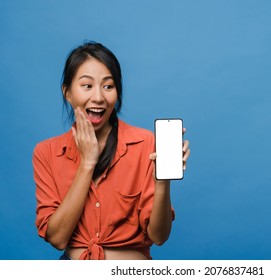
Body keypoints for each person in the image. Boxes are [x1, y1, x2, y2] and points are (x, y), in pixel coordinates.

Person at [32, 41, 190, 260]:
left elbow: (159, 236)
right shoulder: (46, 152)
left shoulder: (145, 144)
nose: (98, 97)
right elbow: (57, 238)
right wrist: (87, 164)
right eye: (87, 86)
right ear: (67, 93)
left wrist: (162, 182)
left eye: (108, 86)